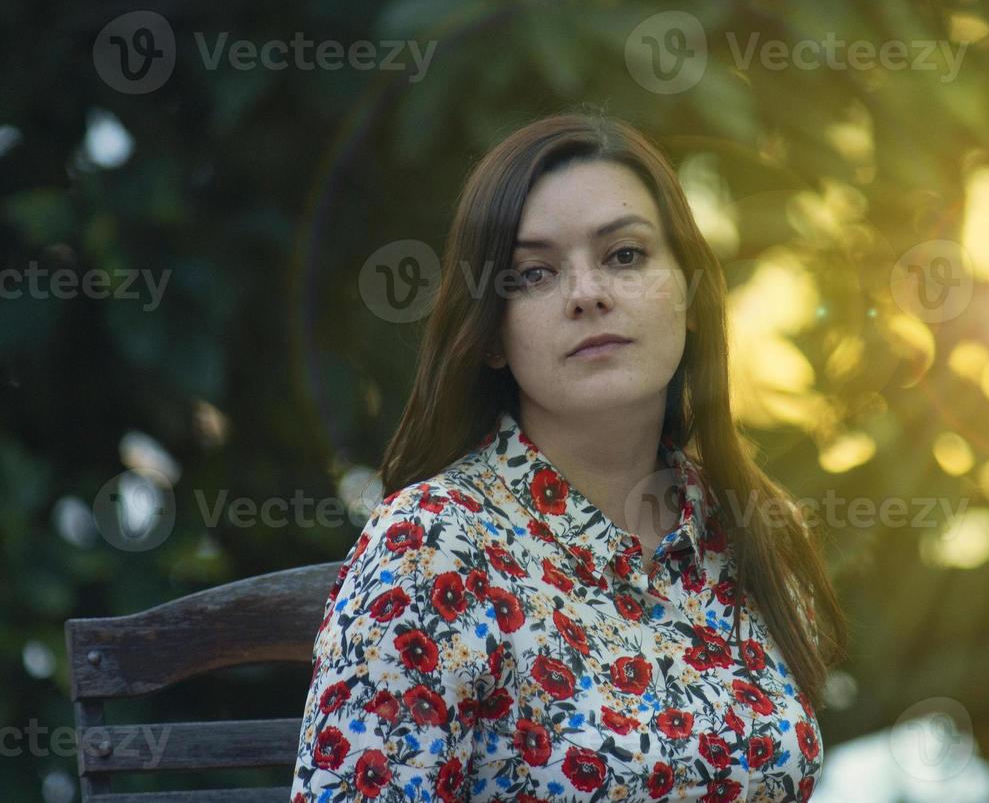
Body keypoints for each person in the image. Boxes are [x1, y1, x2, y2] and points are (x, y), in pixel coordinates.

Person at [290, 113, 845, 802]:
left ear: (692, 296)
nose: (588, 294)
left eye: (625, 256)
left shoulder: (751, 529)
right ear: (491, 335)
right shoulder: (432, 546)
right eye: (534, 273)